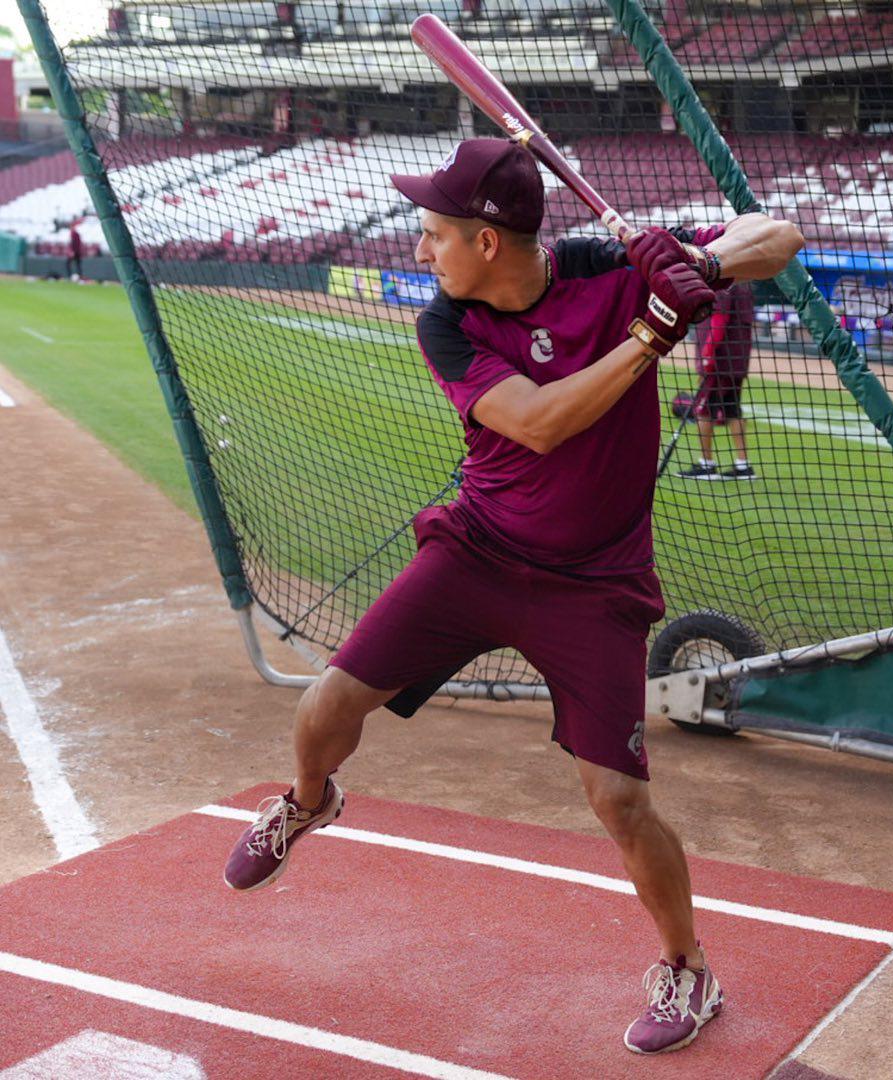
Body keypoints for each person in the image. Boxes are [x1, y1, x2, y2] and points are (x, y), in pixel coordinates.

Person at [222, 137, 803, 1055]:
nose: (421, 252)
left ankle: (688, 971)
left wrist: (697, 264)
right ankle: (306, 800)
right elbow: (537, 423)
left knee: (619, 800)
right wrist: (652, 333)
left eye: (433, 234)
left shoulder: (606, 264)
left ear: (487, 242)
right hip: (479, 552)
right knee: (328, 702)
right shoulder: (444, 324)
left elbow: (780, 234)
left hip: (596, 585)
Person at [678, 282, 755, 480]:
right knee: (732, 410)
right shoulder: (743, 284)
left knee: (704, 411)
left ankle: (706, 465)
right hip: (736, 360)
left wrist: (707, 354)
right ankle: (743, 466)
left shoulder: (724, 282)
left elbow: (720, 318)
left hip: (719, 362)